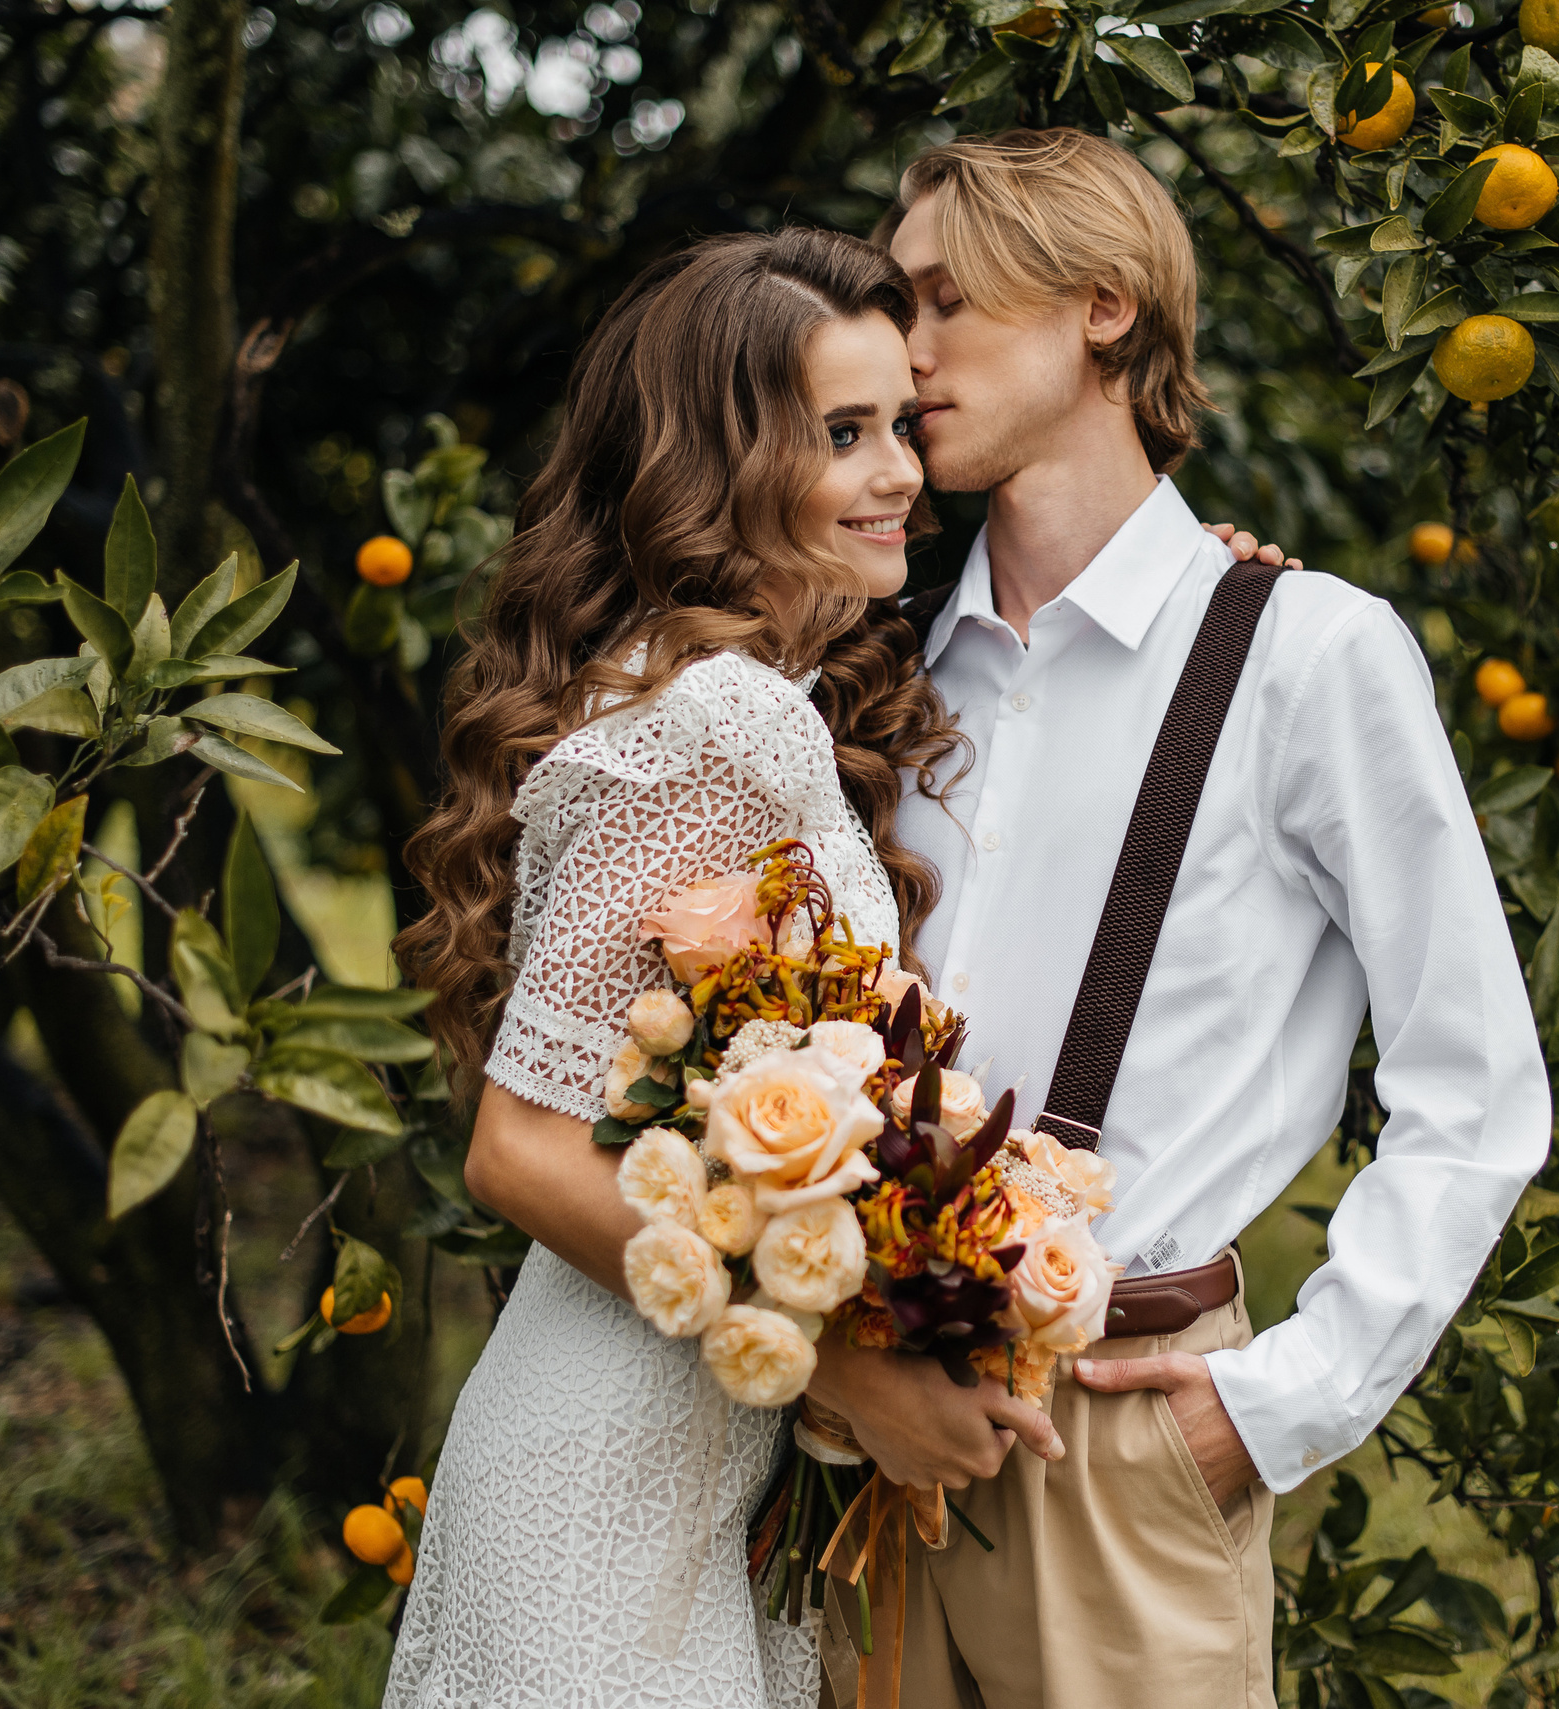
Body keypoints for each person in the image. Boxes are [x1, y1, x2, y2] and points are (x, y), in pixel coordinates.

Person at [801, 130, 1553, 1708]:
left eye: (946, 303)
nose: (905, 353)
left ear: (1104, 307)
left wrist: (1275, 1404)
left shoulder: (1310, 658)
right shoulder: (876, 675)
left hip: (1130, 1427)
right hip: (860, 1434)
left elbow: (1476, 1089)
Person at [382, 226, 990, 1709]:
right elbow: (519, 1147)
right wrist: (839, 1369)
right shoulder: (720, 719)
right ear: (719, 465)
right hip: (604, 1484)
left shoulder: (718, 692)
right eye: (844, 434)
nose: (902, 470)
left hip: (680, 1481)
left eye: (901, 425)